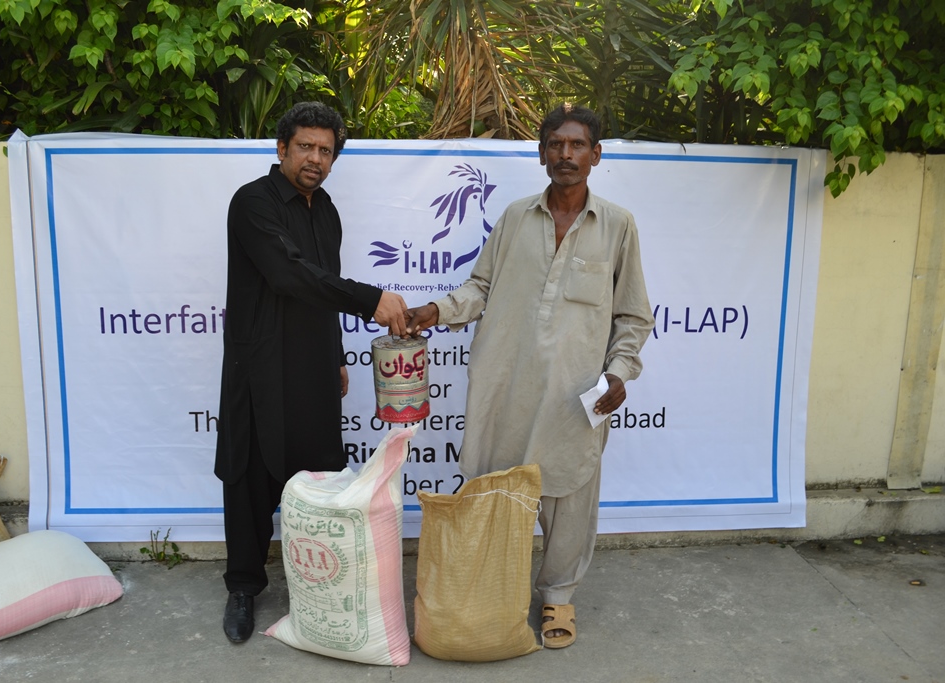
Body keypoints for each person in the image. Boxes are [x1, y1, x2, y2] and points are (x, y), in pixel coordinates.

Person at [405, 104, 654, 650]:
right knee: (495, 491)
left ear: (595, 154)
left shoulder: (618, 225)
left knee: (569, 500)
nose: (566, 154)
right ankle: (495, 589)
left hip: (575, 395)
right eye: (556, 144)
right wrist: (437, 310)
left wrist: (618, 372)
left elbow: (633, 316)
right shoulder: (516, 217)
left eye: (577, 144)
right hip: (506, 385)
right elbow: (480, 288)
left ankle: (558, 597)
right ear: (542, 154)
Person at [214, 101, 409, 644]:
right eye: (305, 146)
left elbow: (323, 289)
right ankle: (243, 588)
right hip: (259, 366)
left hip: (313, 366)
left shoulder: (326, 211)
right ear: (282, 149)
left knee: (321, 480)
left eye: (325, 151)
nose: (315, 159)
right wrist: (370, 300)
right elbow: (288, 274)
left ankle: (321, 585)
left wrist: (338, 354)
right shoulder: (252, 202)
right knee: (250, 481)